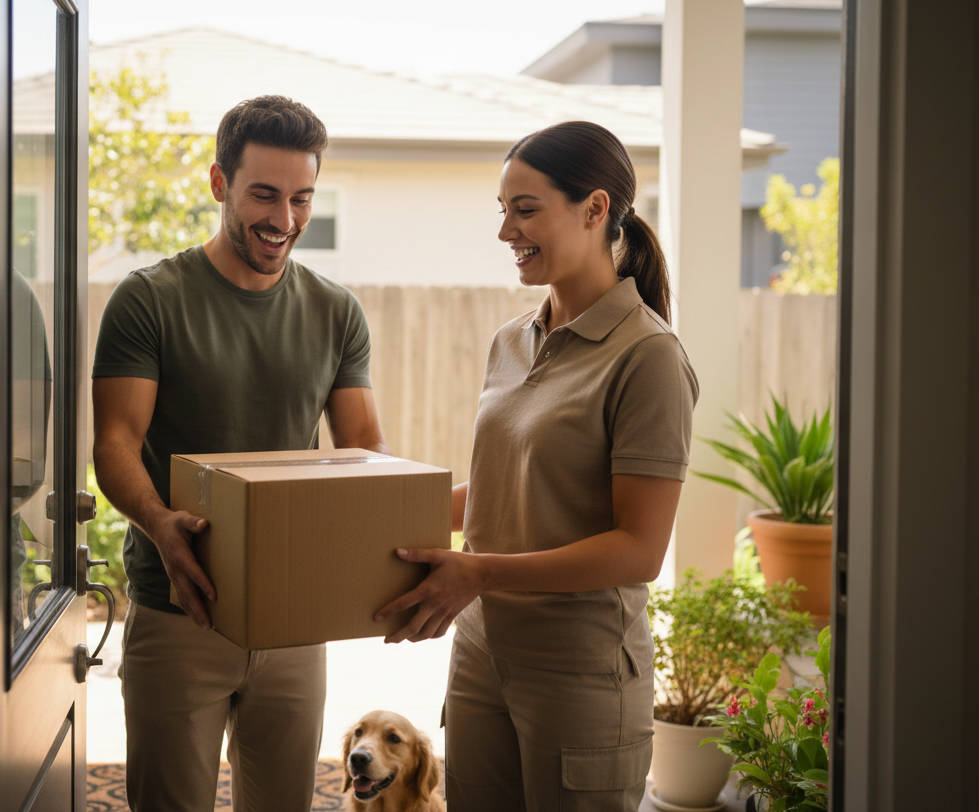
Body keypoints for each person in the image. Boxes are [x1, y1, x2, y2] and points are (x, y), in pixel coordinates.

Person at [376, 120, 699, 812]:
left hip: (579, 671)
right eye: (503, 211)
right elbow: (501, 490)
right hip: (482, 650)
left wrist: (481, 570)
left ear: (594, 209)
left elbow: (638, 549)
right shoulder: (511, 342)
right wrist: (383, 518)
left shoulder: (648, 357)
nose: (506, 232)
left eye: (525, 210)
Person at [91, 95, 390, 812]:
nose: (283, 220)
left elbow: (364, 449)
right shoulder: (148, 300)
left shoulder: (335, 311)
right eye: (264, 194)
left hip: (293, 619)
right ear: (220, 184)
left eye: (301, 199)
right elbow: (114, 443)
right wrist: (161, 525)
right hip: (178, 609)